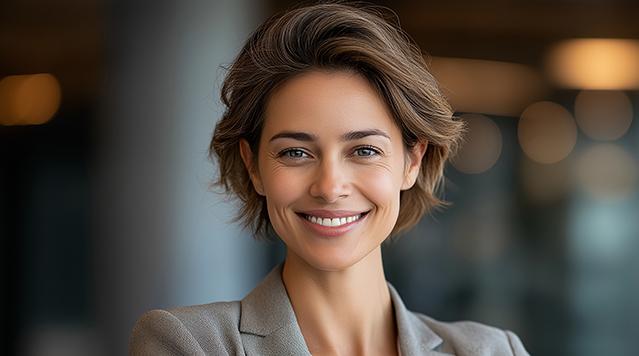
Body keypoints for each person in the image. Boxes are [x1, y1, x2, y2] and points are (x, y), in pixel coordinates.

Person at [128, 2, 530, 355]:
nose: (330, 187)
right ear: (253, 166)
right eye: (295, 152)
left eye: (364, 151)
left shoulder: (492, 351)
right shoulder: (190, 344)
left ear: (412, 162)